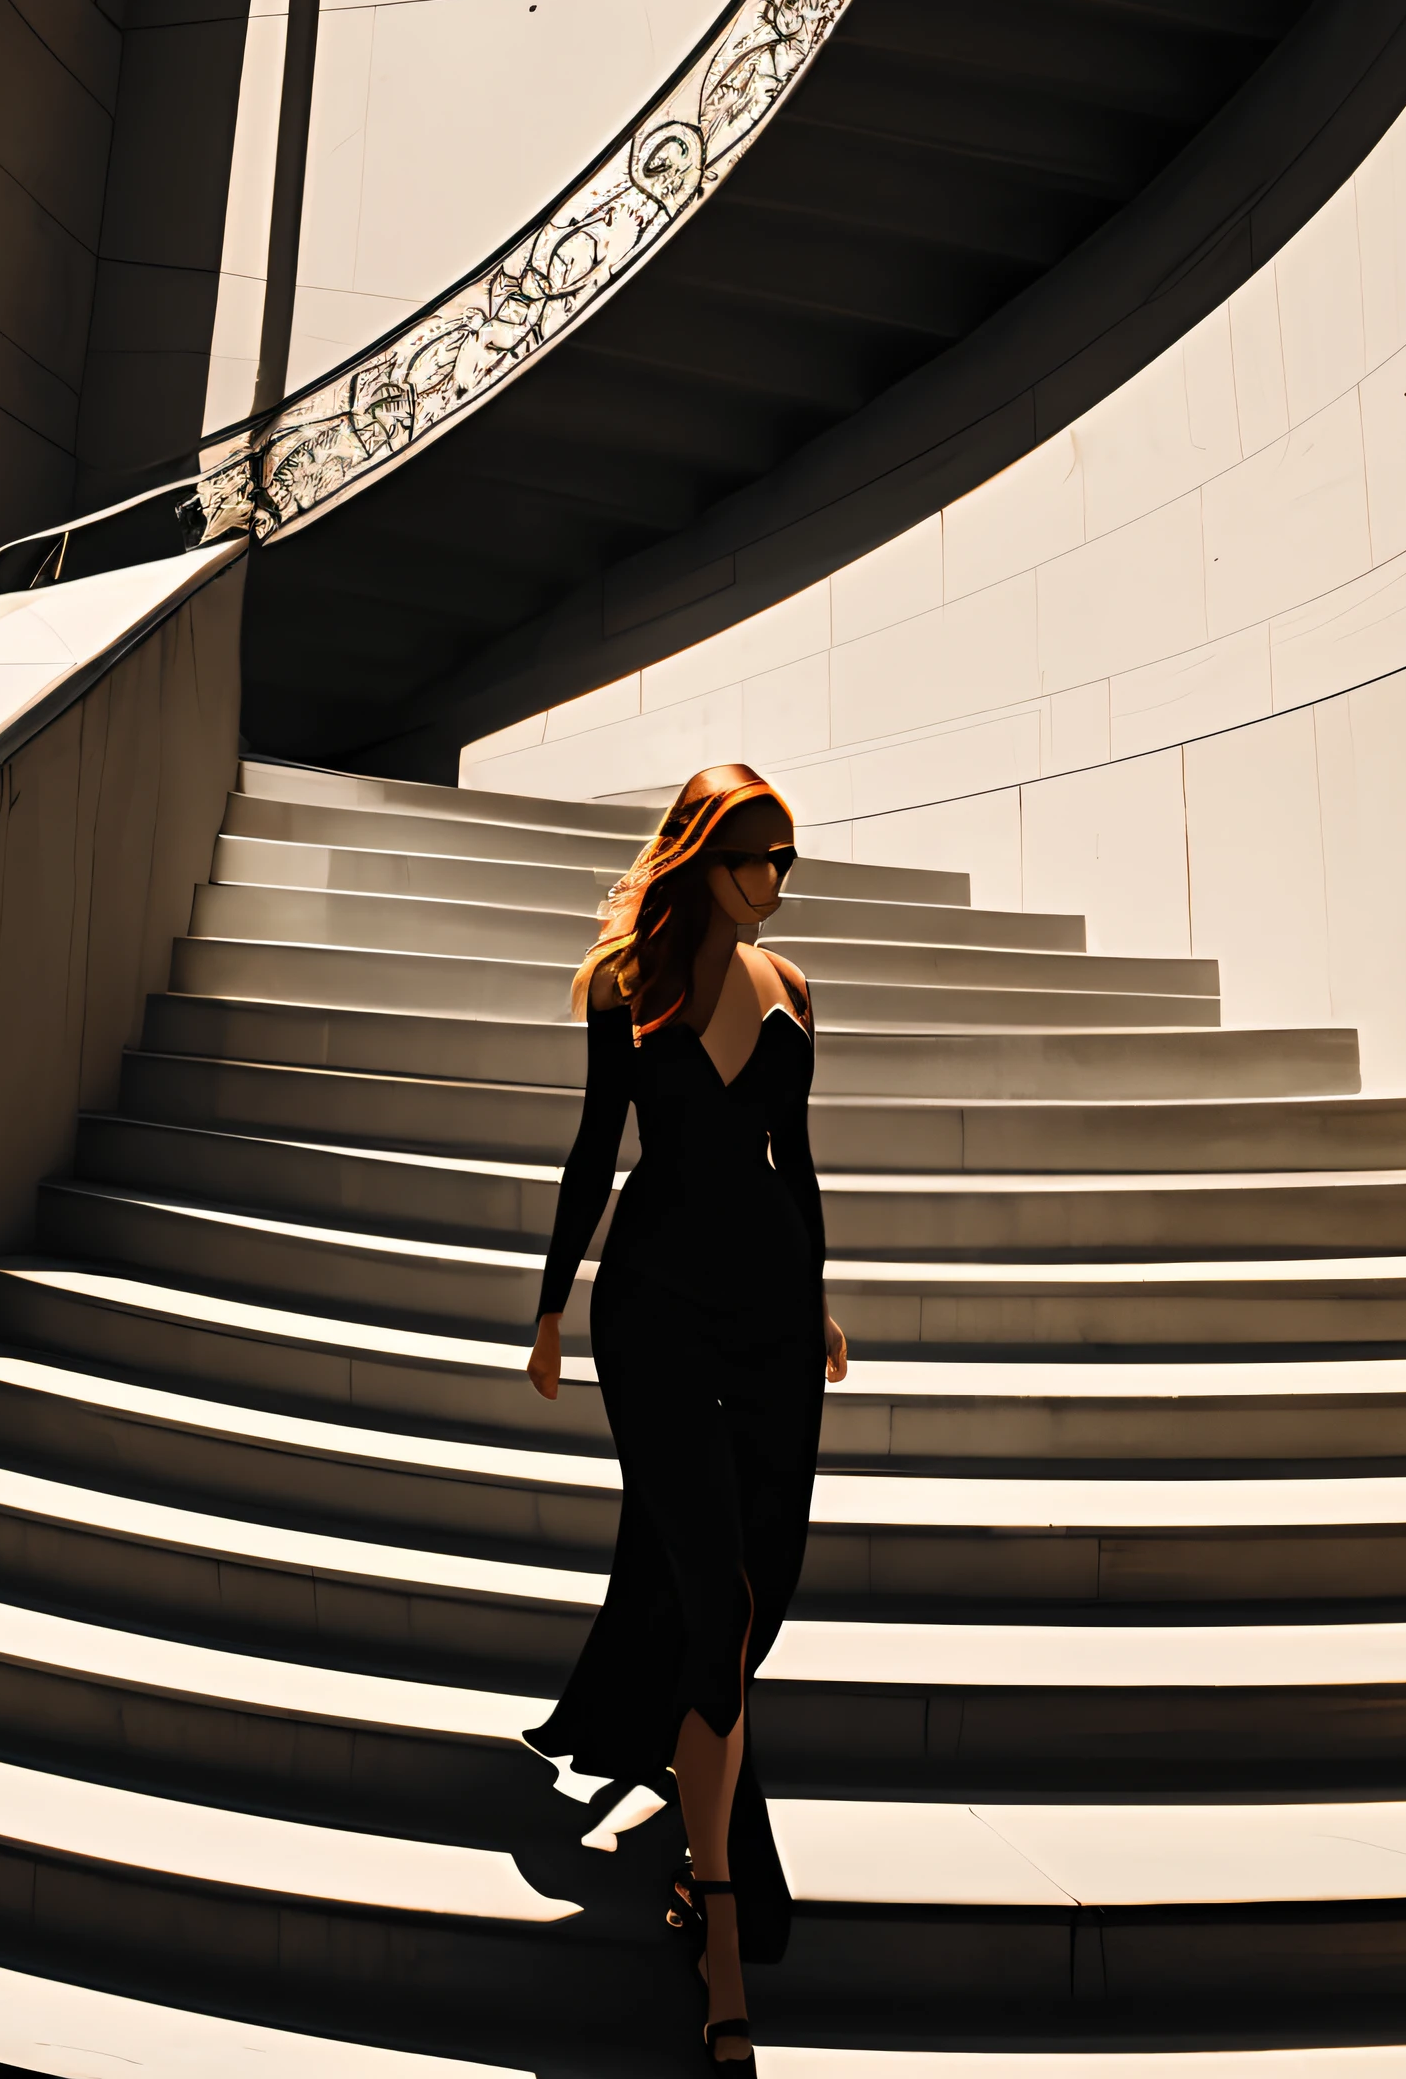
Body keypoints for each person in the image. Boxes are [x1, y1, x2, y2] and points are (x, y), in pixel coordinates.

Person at [524, 764, 847, 2070]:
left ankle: (670, 1743)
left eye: (788, 861)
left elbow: (800, 1165)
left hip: (771, 1315)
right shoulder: (626, 986)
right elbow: (598, 1148)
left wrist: (820, 1303)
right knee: (715, 1598)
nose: (777, 882)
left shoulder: (796, 990)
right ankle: (718, 1936)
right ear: (706, 858)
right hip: (652, 1307)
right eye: (759, 857)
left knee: (760, 1583)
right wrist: (551, 1305)